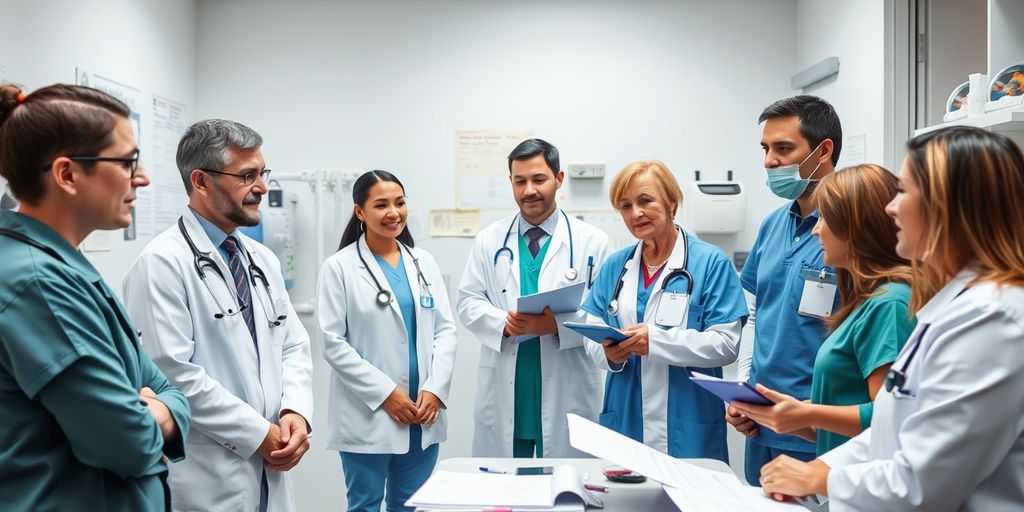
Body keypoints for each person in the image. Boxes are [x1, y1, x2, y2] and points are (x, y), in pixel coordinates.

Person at [761, 126, 1024, 510]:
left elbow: (924, 483)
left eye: (903, 191)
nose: (890, 207)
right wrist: (820, 470)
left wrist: (822, 477)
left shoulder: (993, 319)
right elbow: (891, 428)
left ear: (948, 205)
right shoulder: (953, 307)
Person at [0, 82, 190, 510]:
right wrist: (163, 411)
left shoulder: (60, 266)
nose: (142, 178)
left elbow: (163, 387)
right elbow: (130, 441)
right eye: (127, 163)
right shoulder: (38, 285)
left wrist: (160, 404)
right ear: (67, 174)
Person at [123, 119, 313, 512]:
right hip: (207, 477)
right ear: (202, 181)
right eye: (247, 176)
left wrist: (296, 411)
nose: (261, 187)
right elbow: (171, 374)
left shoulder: (263, 261)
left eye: (262, 173)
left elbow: (293, 344)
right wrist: (257, 432)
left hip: (270, 466)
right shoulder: (162, 263)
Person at [729, 164, 915, 455]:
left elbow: (887, 417)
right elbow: (837, 425)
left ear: (854, 226)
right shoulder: (864, 302)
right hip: (832, 465)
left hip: (861, 479)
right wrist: (784, 415)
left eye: (825, 218)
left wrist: (806, 414)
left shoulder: (889, 304)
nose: (815, 230)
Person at [580, 160, 747, 461]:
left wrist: (654, 342)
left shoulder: (710, 263)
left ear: (672, 202)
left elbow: (726, 345)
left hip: (689, 421)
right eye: (625, 206)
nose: (636, 214)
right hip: (626, 417)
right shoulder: (615, 267)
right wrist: (607, 353)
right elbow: (590, 332)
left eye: (645, 201)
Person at [458, 138, 611, 458]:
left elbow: (605, 317)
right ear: (511, 183)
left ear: (558, 179)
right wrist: (505, 323)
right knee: (503, 495)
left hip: (567, 388)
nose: (529, 190)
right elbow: (468, 300)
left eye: (539, 179)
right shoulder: (489, 240)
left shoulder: (593, 242)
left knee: (567, 493)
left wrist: (555, 325)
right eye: (520, 181)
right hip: (507, 387)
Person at [317, 170, 458, 512]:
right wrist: (385, 394)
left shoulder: (423, 262)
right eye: (381, 204)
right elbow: (332, 342)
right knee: (365, 505)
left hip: (421, 411)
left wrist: (435, 390)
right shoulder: (339, 267)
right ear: (360, 212)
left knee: (412, 505)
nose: (394, 212)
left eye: (400, 202)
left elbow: (445, 330)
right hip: (371, 413)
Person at [728, 95, 842, 482]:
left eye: (783, 148)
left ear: (823, 150)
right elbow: (756, 313)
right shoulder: (772, 225)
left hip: (817, 427)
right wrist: (744, 388)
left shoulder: (851, 231)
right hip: (760, 421)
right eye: (765, 149)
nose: (769, 162)